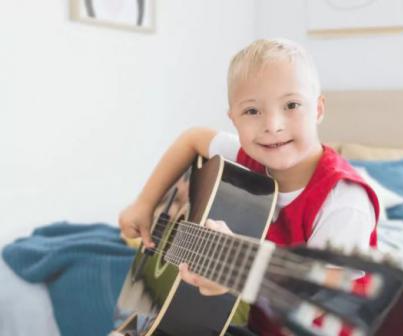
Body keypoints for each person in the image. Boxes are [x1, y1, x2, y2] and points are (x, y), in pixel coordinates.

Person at [118, 38, 380, 335]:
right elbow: (192, 138)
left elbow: (321, 298)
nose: (272, 125)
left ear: (318, 108)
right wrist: (145, 203)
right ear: (234, 119)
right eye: (252, 111)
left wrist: (237, 273)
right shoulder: (249, 157)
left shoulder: (344, 200)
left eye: (291, 105)